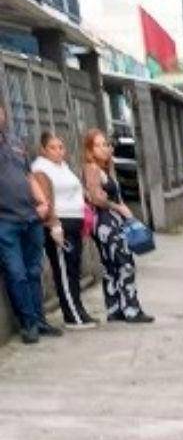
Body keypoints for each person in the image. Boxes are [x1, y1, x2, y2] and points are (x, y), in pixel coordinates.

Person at [0, 105, 62, 343]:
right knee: (16, 273)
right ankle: (28, 324)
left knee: (34, 271)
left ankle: (40, 320)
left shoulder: (15, 142)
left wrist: (43, 202)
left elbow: (29, 177)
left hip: (32, 217)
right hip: (6, 221)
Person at [82, 129, 154, 324]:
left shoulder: (104, 168)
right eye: (98, 145)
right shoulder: (92, 169)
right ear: (90, 149)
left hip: (110, 221)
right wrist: (119, 208)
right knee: (125, 263)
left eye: (106, 144)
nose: (105, 148)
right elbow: (96, 198)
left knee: (112, 266)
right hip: (106, 222)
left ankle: (115, 309)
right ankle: (130, 309)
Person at [32, 132, 95, 329]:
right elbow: (45, 199)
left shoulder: (64, 167)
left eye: (61, 147)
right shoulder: (41, 168)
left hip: (75, 222)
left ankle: (79, 309)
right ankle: (72, 316)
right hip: (60, 224)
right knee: (64, 270)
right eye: (53, 147)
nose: (59, 151)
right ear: (43, 149)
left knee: (74, 268)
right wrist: (54, 224)